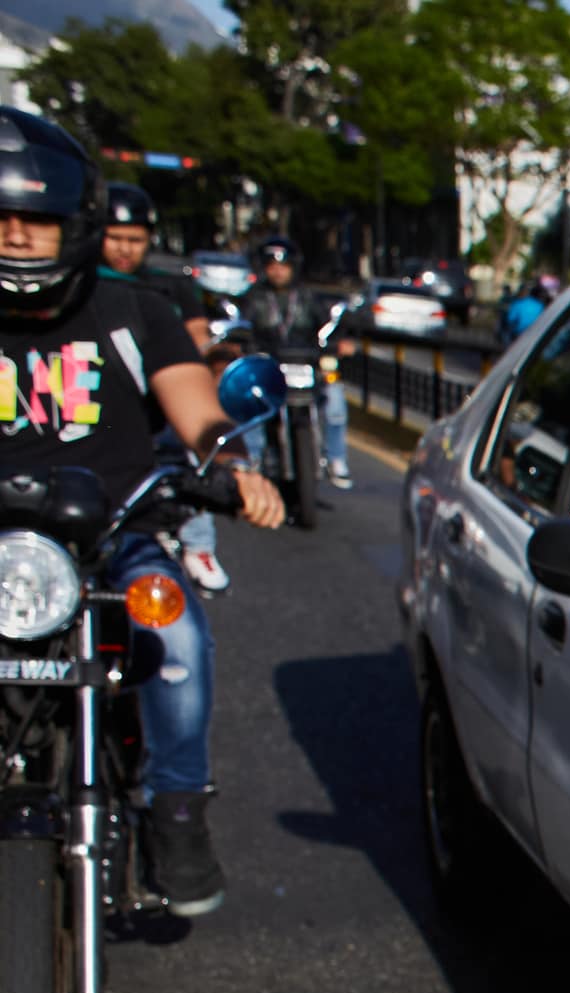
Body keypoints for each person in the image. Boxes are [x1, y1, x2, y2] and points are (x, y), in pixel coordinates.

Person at [0, 109, 284, 913]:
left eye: (39, 221)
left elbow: (197, 413)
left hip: (113, 532)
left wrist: (231, 466)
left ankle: (178, 810)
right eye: (3, 219)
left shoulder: (135, 313)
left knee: (175, 628)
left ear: (75, 226)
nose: (19, 236)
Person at [100, 182, 227, 594]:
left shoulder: (165, 289)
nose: (124, 249)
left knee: (193, 458)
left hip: (161, 402)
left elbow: (196, 339)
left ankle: (199, 546)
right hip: (97, 407)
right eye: (114, 237)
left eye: (134, 240)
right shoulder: (77, 289)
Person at [236, 231, 353, 489]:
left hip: (306, 365)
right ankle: (252, 459)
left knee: (334, 401)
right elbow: (241, 325)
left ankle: (336, 460)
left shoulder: (307, 297)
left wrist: (339, 343)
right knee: (251, 403)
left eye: (283, 266)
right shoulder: (253, 297)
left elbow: (328, 326)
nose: (278, 272)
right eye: (272, 266)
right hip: (269, 366)